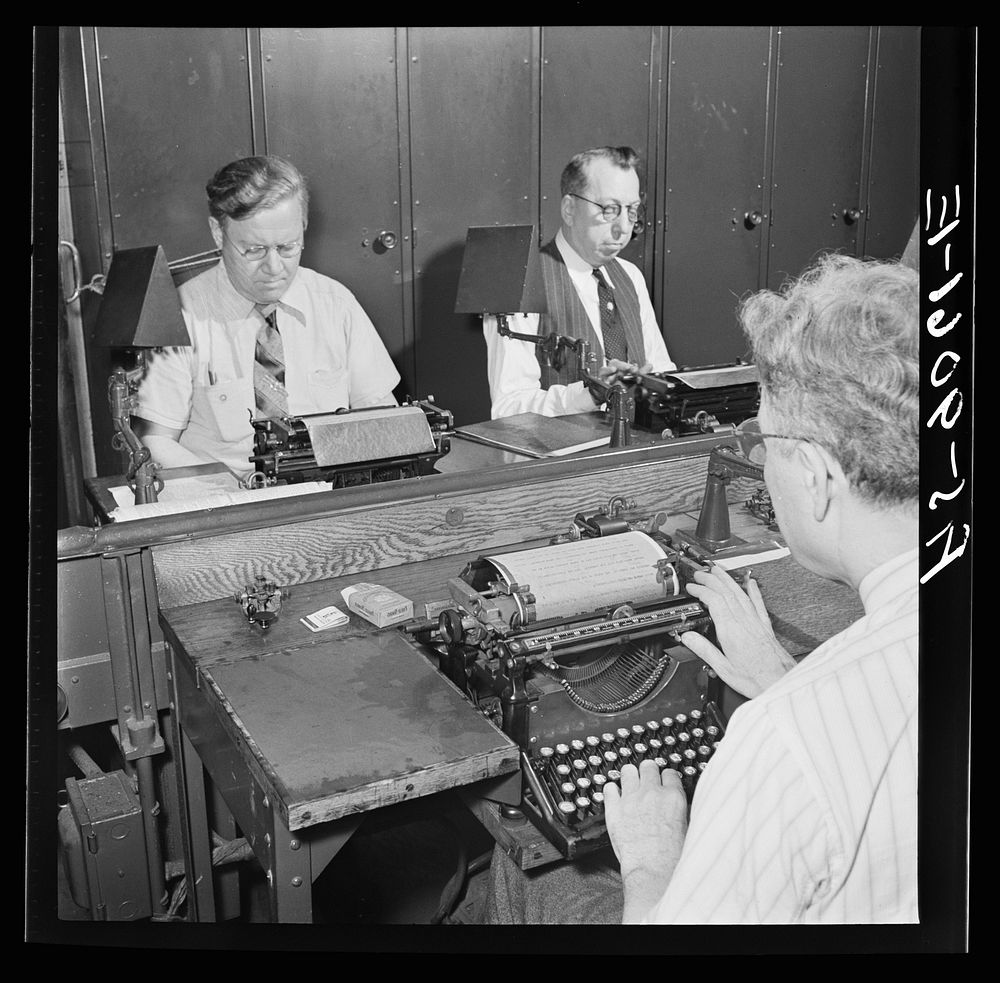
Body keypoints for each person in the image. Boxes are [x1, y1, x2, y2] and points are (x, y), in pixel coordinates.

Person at [485, 252, 919, 924]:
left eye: (764, 440)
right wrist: (780, 675)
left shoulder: (778, 742)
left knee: (525, 869)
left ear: (815, 474)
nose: (760, 461)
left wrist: (653, 858)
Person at [134, 155, 400, 478]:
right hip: (229, 509)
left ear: (303, 228)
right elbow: (156, 443)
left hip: (329, 499)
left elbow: (382, 415)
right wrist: (234, 492)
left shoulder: (336, 305)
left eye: (287, 247)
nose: (274, 268)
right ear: (218, 233)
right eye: (255, 250)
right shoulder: (181, 317)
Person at [483, 146, 675, 419]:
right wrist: (589, 394)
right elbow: (509, 407)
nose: (623, 228)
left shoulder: (630, 276)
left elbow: (662, 369)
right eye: (609, 209)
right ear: (569, 209)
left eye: (631, 210)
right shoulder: (522, 282)